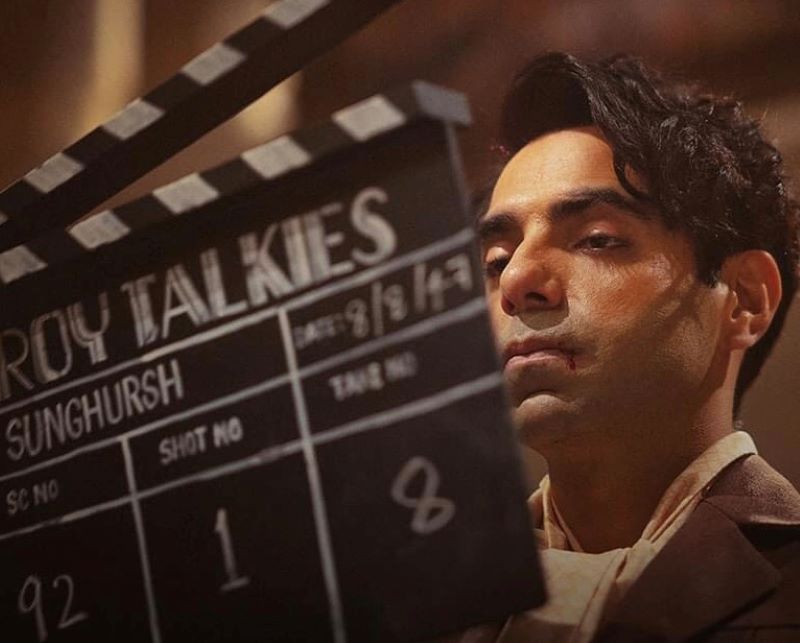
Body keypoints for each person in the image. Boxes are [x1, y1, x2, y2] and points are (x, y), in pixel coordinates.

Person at [454, 52, 800, 642]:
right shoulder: (415, 602)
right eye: (496, 260)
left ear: (744, 299)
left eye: (596, 239)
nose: (515, 281)